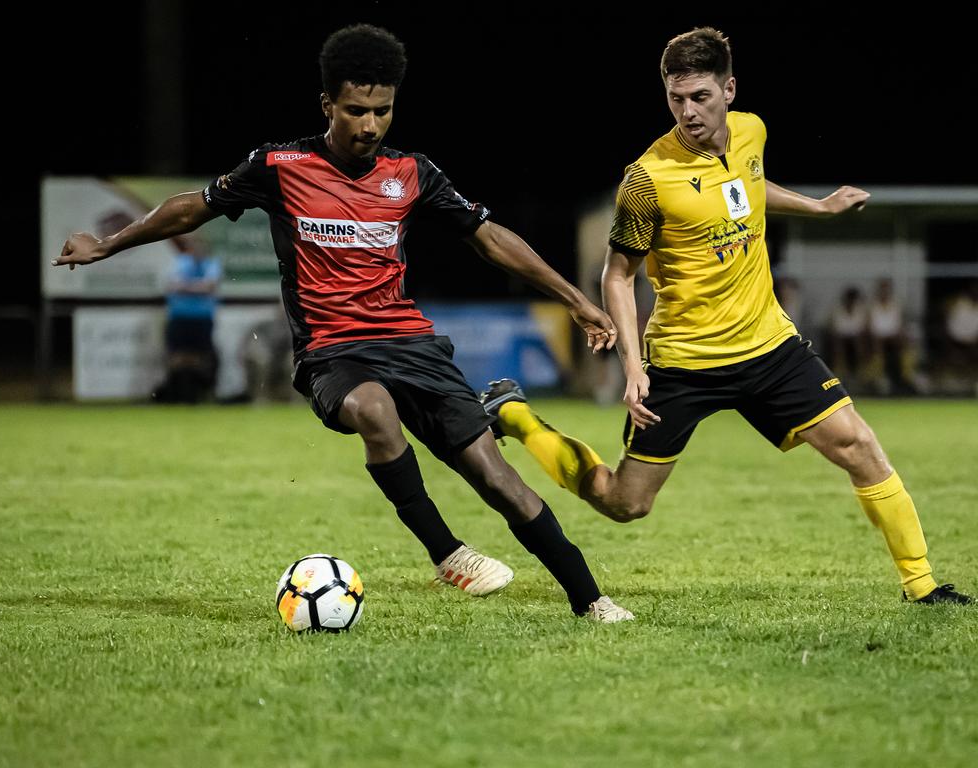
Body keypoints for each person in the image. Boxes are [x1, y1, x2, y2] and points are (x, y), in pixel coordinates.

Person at [54, 24, 632, 622]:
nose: (370, 125)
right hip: (332, 352)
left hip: (411, 343)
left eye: (383, 111)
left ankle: (590, 599)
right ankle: (448, 552)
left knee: (495, 477)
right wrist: (108, 243)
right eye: (356, 110)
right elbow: (191, 207)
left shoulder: (412, 173)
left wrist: (572, 296)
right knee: (375, 412)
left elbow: (488, 238)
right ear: (328, 104)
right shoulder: (280, 166)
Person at [482, 27, 970, 605]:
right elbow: (618, 275)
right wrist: (634, 368)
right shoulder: (647, 179)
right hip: (685, 361)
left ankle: (922, 587)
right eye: (676, 98)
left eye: (701, 98)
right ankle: (516, 416)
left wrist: (817, 207)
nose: (688, 112)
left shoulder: (752, 132)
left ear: (729, 89)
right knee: (624, 502)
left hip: (769, 346)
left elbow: (750, 186)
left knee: (858, 445)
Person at [152, 236, 221, 404]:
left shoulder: (212, 264)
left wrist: (186, 286)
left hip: (202, 318)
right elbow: (172, 285)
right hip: (180, 317)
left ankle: (203, 394)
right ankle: (175, 393)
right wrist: (199, 287)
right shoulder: (179, 262)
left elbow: (210, 286)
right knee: (177, 356)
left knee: (203, 357)